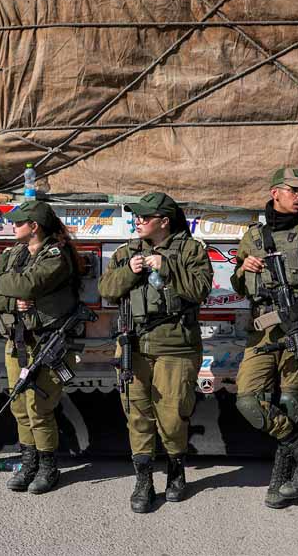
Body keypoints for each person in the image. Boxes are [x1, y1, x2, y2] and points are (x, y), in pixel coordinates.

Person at [228, 168, 298, 509]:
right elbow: (235, 283)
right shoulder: (254, 237)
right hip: (263, 329)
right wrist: (244, 269)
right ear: (276, 193)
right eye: (294, 191)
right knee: (247, 399)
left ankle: (281, 480)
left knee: (291, 404)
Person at [97, 192, 213, 513]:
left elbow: (201, 289)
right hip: (133, 345)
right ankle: (144, 479)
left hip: (176, 345)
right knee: (137, 413)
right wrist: (127, 272)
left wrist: (170, 266)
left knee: (173, 414)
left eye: (145, 217)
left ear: (164, 221)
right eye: (136, 216)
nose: (138, 221)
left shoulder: (191, 250)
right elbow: (106, 291)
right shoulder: (127, 252)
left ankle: (176, 470)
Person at [0, 200, 84, 495]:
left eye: (18, 222)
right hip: (18, 342)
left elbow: (27, 285)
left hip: (47, 344)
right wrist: (10, 301)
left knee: (38, 407)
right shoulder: (14, 253)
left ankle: (48, 467)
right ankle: (28, 463)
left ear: (34, 226)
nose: (12, 226)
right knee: (17, 404)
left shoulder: (56, 256)